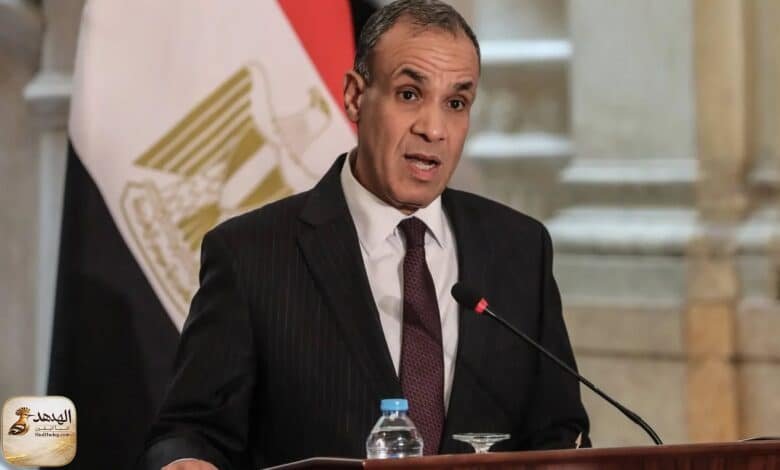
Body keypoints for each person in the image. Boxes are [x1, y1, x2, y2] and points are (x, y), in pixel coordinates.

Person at [140, 1, 590, 468]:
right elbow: (189, 433)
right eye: (409, 94)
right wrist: (182, 462)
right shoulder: (251, 254)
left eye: (456, 103)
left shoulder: (520, 249)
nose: (434, 128)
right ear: (356, 96)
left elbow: (559, 431)